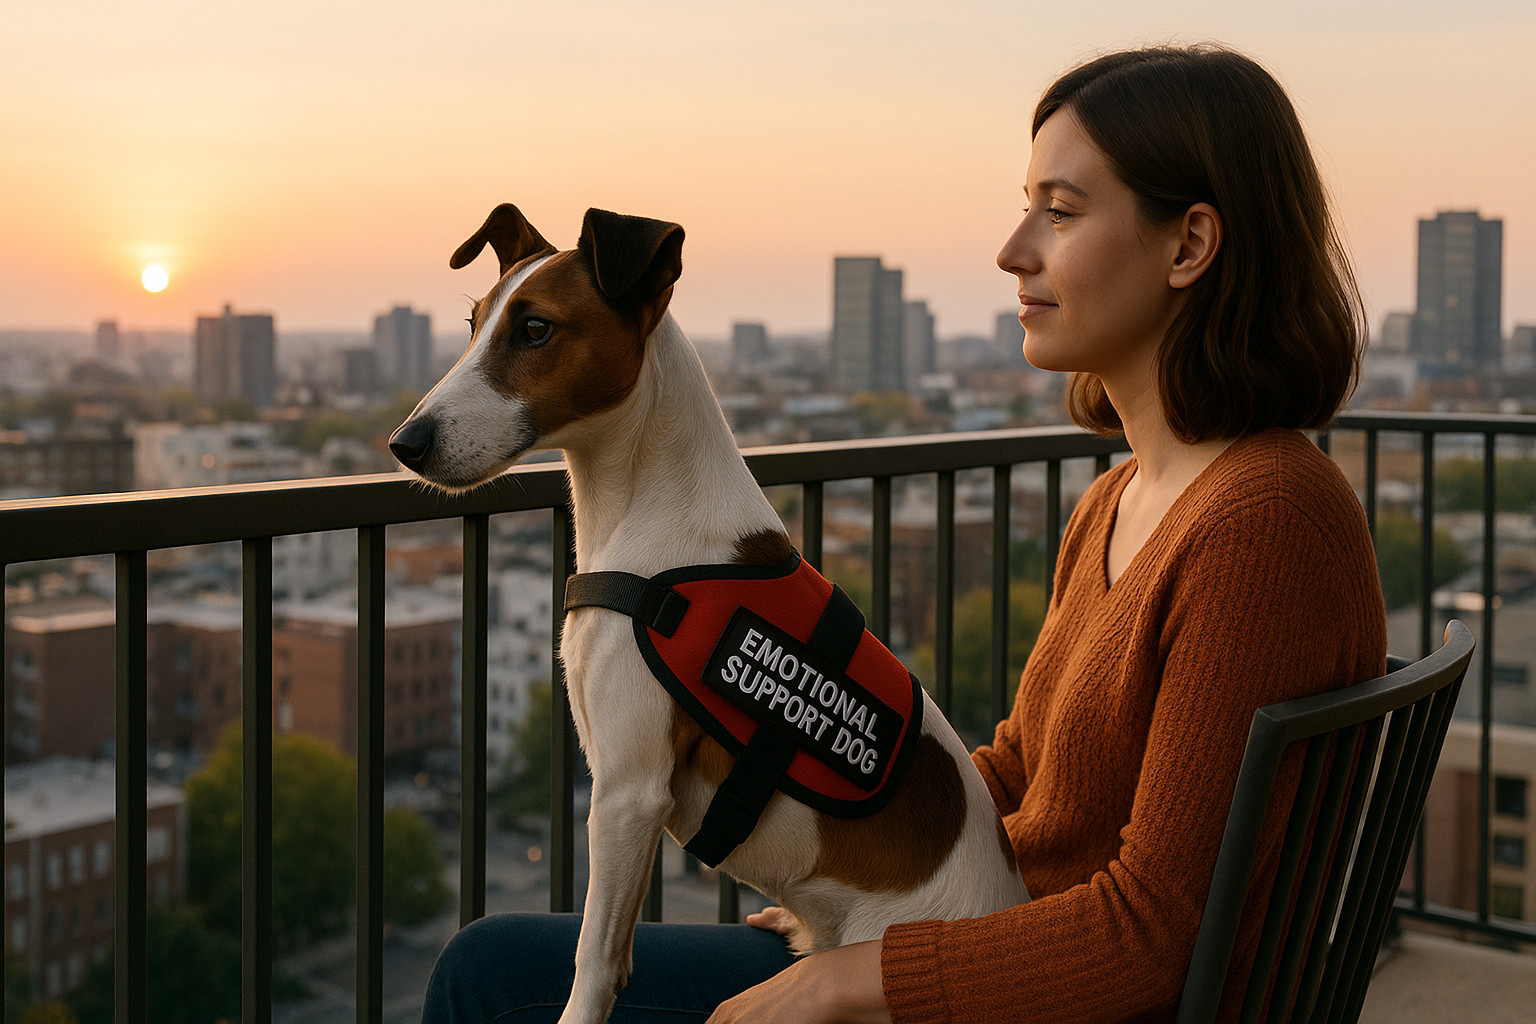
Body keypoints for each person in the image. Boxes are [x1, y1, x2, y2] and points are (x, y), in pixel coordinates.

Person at [421, 43, 1387, 1024]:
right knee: (491, 962)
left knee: (493, 982)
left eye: (1060, 210)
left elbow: (1150, 941)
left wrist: (848, 981)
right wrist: (858, 870)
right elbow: (1021, 777)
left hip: (1043, 994)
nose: (1015, 249)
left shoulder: (1264, 528)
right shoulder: (1123, 499)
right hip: (967, 947)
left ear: (1188, 246)